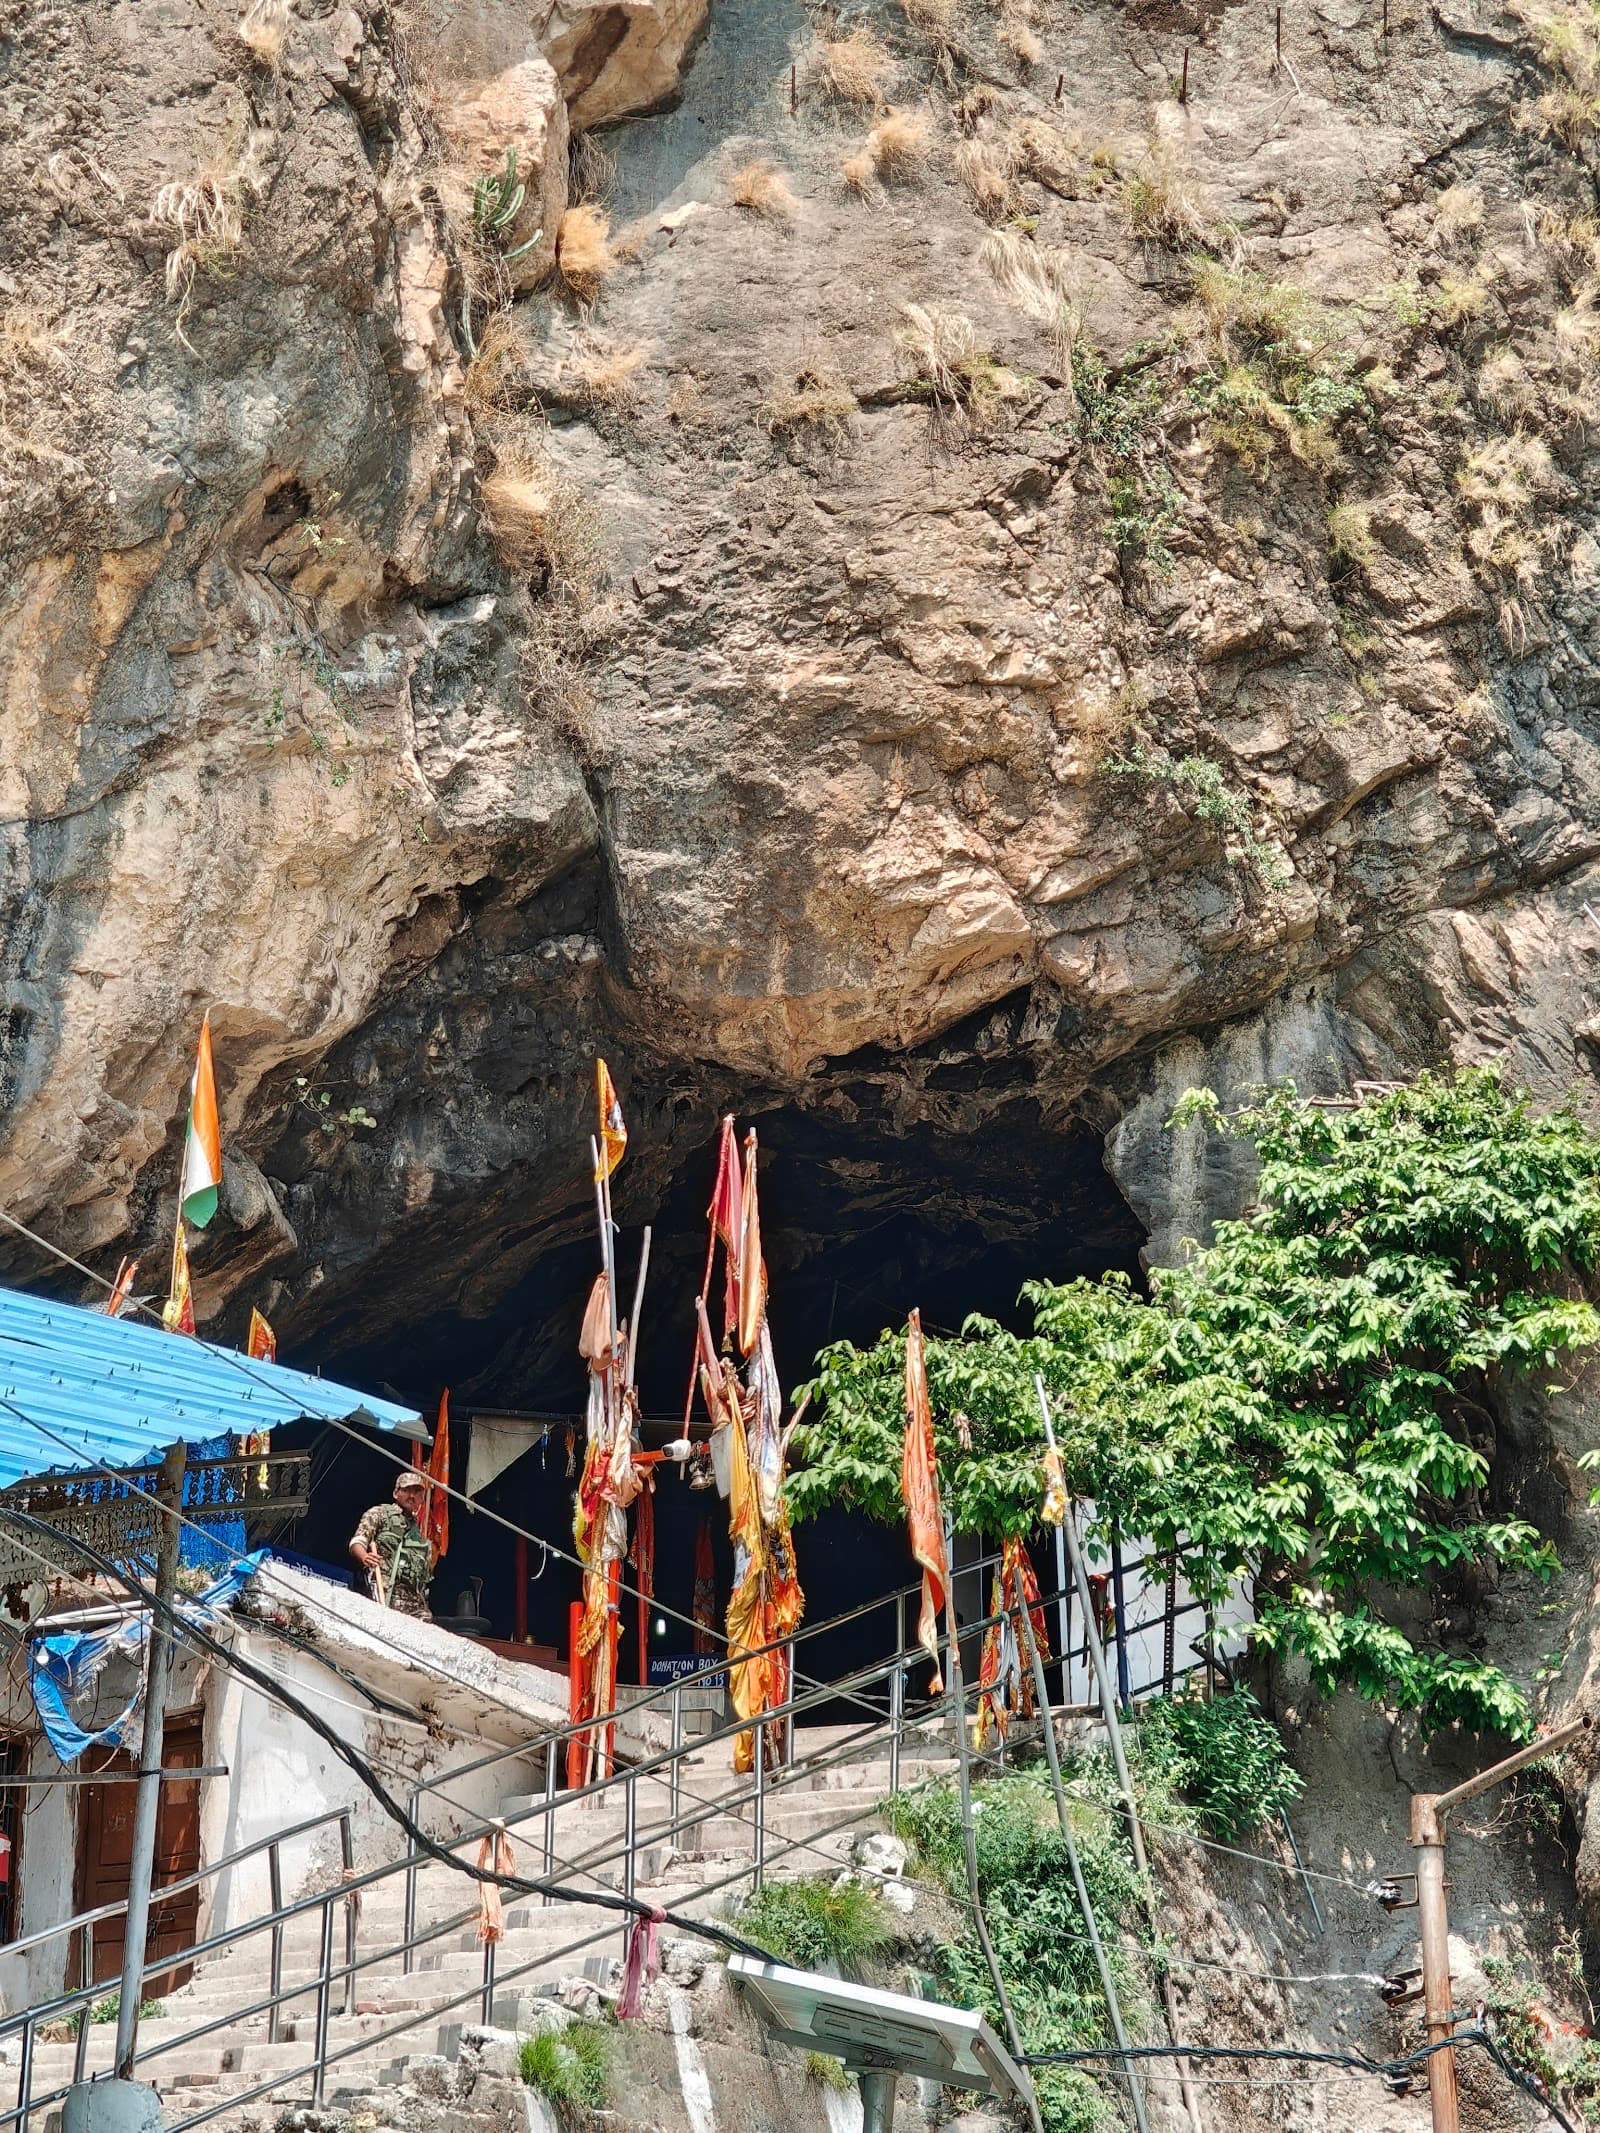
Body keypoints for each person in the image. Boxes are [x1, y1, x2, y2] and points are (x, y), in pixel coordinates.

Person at [350, 1471, 437, 1618]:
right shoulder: (379, 1514)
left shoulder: (420, 1533)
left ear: (422, 1498)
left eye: (417, 1492)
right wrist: (365, 1556)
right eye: (406, 1490)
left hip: (415, 1602)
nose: (412, 1496)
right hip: (387, 1591)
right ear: (396, 1493)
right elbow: (357, 1542)